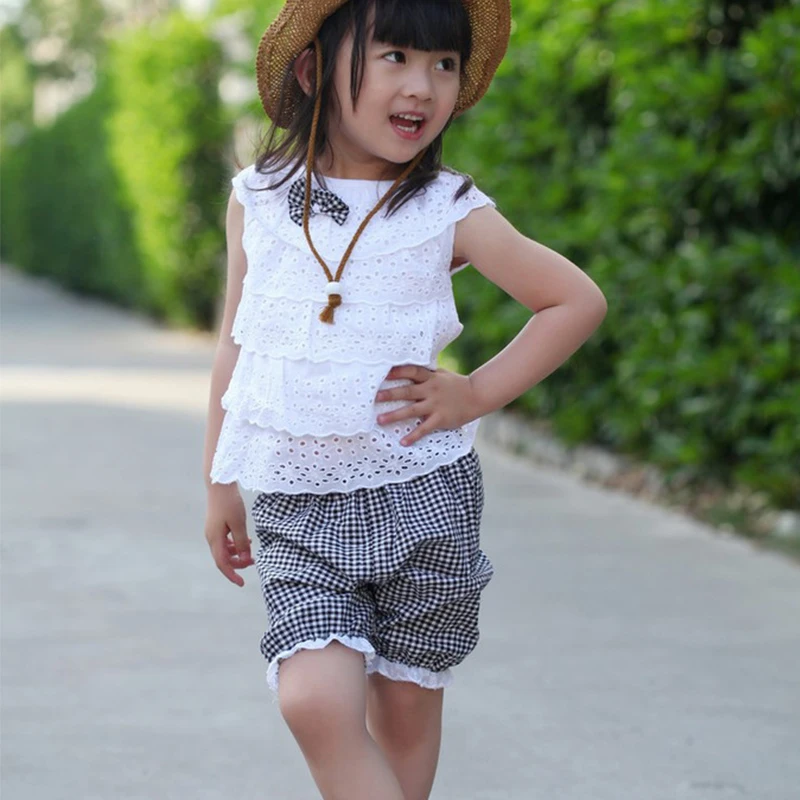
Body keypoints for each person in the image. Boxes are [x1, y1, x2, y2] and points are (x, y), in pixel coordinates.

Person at [202, 0, 607, 797]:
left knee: (407, 714)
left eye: (444, 65)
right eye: (394, 57)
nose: (423, 86)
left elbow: (573, 301)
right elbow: (235, 345)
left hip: (423, 499)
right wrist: (219, 482)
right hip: (295, 501)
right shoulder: (258, 198)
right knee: (313, 699)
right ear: (314, 69)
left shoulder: (446, 208)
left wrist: (473, 392)